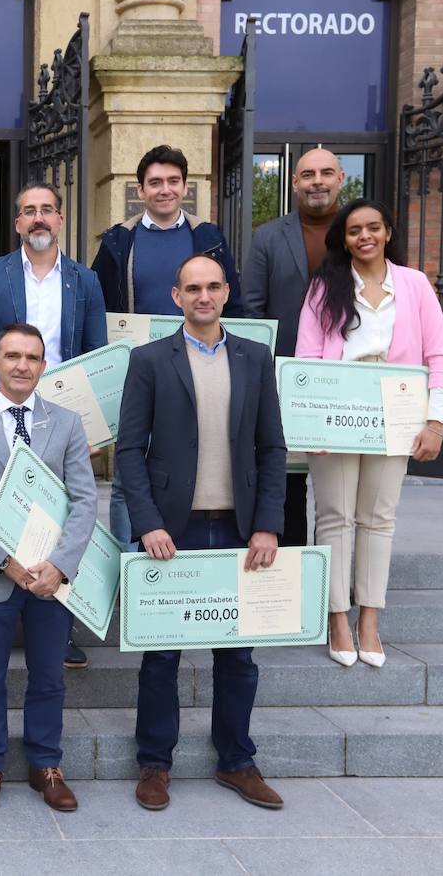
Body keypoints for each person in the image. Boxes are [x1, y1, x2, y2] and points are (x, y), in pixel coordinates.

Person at [115, 254, 287, 812]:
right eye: (193, 288)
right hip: (174, 527)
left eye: (213, 287)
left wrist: (267, 524)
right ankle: (154, 764)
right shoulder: (148, 360)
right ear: (176, 296)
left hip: (239, 529)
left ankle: (236, 760)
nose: (204, 296)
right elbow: (128, 452)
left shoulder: (256, 358)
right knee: (161, 654)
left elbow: (271, 449)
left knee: (237, 655)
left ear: (226, 292)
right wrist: (148, 524)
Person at [0, 181, 106, 670]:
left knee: (58, 510)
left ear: (60, 219)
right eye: (28, 211)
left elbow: (96, 355)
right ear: (17, 223)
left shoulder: (85, 280)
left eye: (47, 210)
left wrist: (95, 430)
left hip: (62, 418)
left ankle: (62, 617)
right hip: (5, 401)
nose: (38, 218)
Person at [0, 323, 96, 816]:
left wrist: (61, 565)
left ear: (43, 366)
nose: (21, 365)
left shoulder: (68, 424)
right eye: (12, 356)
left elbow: (85, 502)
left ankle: (45, 764)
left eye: (31, 357)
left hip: (51, 578)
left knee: (49, 675)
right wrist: (4, 562)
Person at [295, 199, 443, 668]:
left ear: (387, 233)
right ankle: (338, 618)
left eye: (373, 228)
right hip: (340, 411)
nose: (364, 236)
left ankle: (370, 619)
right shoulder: (326, 286)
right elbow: (307, 356)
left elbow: (439, 356)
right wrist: (313, 420)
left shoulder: (416, 285)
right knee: (335, 515)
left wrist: (435, 422)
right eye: (354, 230)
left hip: (397, 415)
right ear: (342, 239)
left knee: (379, 517)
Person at [91, 145, 244, 547]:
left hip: (202, 371)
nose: (164, 189)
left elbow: (237, 305)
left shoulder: (208, 238)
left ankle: (180, 570)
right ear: (140, 190)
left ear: (184, 187)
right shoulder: (118, 242)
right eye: (154, 182)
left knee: (194, 466)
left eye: (172, 181)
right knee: (128, 476)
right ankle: (129, 573)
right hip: (138, 375)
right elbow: (98, 308)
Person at [244, 147, 347, 546]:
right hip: (285, 380)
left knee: (339, 493)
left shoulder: (359, 232)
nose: (316, 181)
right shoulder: (269, 236)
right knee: (286, 484)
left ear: (340, 178)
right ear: (294, 183)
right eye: (307, 174)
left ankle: (335, 582)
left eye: (325, 173)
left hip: (345, 383)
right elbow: (252, 309)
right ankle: (292, 575)